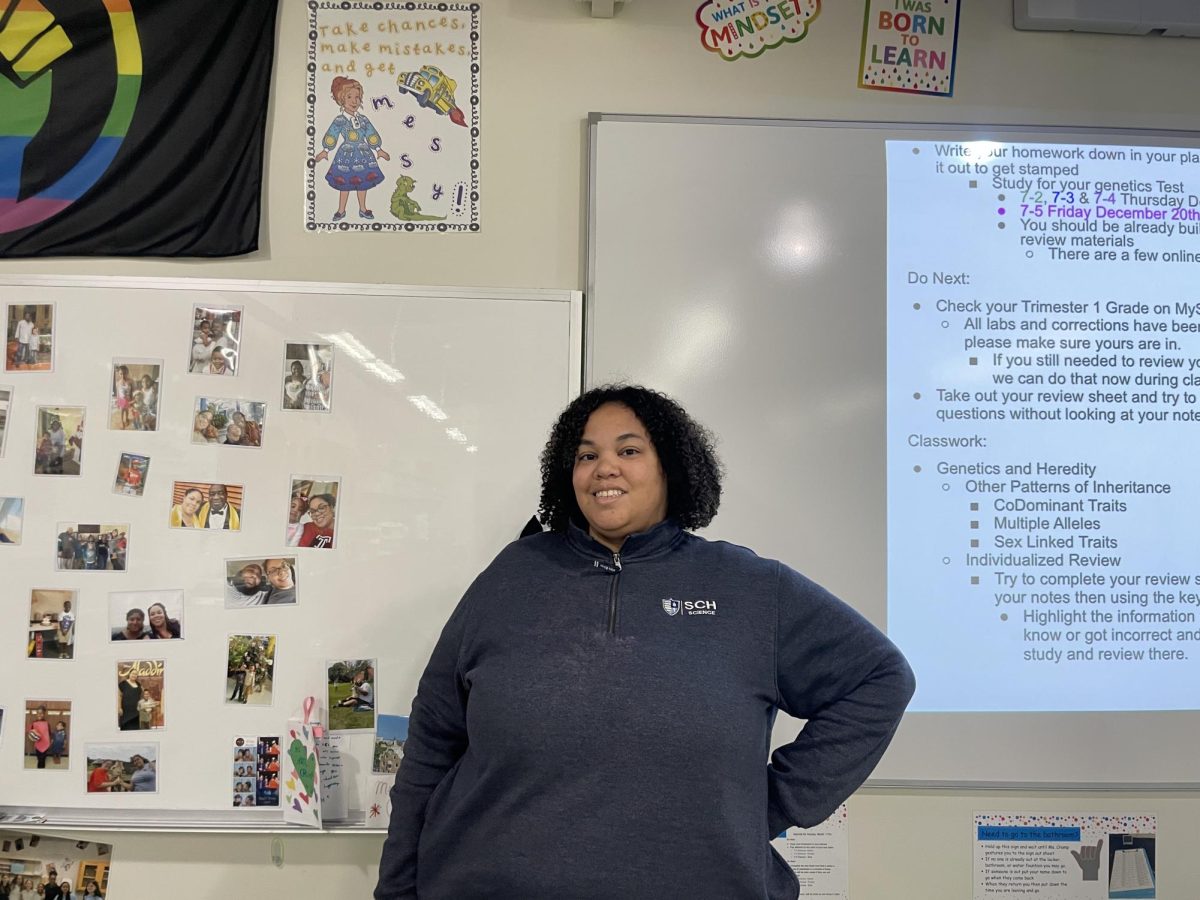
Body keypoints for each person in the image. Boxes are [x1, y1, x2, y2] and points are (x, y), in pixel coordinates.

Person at [374, 385, 915, 900]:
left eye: (628, 450)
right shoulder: (510, 578)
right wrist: (397, 888)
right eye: (586, 456)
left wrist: (768, 805)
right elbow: (430, 746)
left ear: (670, 468)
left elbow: (879, 678)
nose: (604, 467)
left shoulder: (751, 588)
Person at [312, 75, 390, 220]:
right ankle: (341, 210)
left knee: (363, 184)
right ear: (341, 100)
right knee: (344, 184)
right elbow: (332, 135)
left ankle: (363, 209)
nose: (354, 101)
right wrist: (325, 150)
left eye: (357, 97)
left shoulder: (363, 119)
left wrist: (378, 149)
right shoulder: (340, 120)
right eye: (349, 97)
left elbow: (370, 133)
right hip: (345, 157)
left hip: (364, 155)